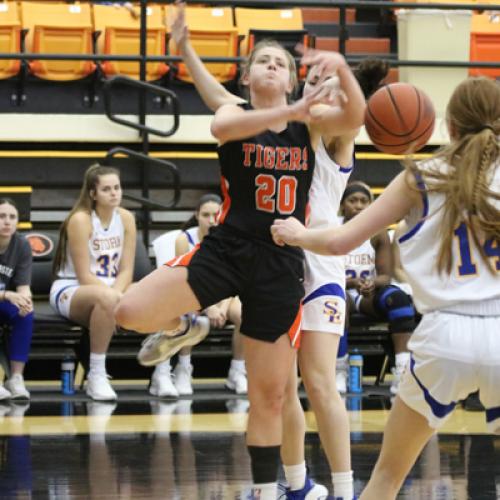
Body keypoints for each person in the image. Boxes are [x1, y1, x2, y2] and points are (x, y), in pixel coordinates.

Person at [116, 23, 365, 498]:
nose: (274, 66)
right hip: (227, 248)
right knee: (129, 312)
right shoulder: (236, 112)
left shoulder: (309, 127)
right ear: (247, 77)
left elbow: (356, 114)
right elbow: (220, 123)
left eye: (283, 63)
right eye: (264, 62)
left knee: (270, 396)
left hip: (281, 263)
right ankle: (181, 326)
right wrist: (188, 49)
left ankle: (268, 491)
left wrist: (343, 72)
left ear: (292, 79)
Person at [271, 76, 500, 499]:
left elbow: (342, 240)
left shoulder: (421, 177)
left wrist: (299, 235)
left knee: (387, 479)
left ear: (448, 124)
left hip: (444, 338)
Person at [50, 164, 137, 401]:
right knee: (106, 298)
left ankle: (164, 371)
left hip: (113, 289)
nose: (114, 193)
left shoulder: (127, 218)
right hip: (72, 288)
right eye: (107, 189)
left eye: (117, 187)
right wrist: (115, 298)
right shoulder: (81, 220)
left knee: (153, 293)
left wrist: (117, 296)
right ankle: (96, 374)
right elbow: (84, 275)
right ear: (92, 193)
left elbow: (127, 270)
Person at [150, 193, 247, 397]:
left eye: (215, 215)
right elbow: (185, 281)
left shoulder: (229, 239)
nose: (211, 220)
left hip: (223, 295)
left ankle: (237, 371)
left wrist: (221, 307)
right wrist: (209, 307)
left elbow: (233, 279)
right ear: (197, 215)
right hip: (191, 293)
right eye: (206, 215)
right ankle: (182, 369)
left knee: (243, 313)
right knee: (188, 309)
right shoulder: (184, 240)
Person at [340, 181, 417, 395]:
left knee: (399, 299)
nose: (358, 205)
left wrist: (373, 283)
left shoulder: (378, 232)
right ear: (342, 205)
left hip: (367, 295)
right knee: (336, 301)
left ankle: (403, 369)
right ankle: (339, 368)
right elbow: (322, 273)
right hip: (340, 289)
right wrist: (352, 283)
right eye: (352, 200)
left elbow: (386, 275)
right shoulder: (332, 228)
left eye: (364, 201)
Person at [0, 199, 33, 400]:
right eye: (2, 216)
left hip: (5, 302)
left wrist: (25, 301)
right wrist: (6, 295)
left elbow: (23, 287)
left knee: (26, 313)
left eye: (12, 217)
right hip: (4, 297)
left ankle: (16, 378)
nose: (7, 222)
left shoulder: (21, 245)